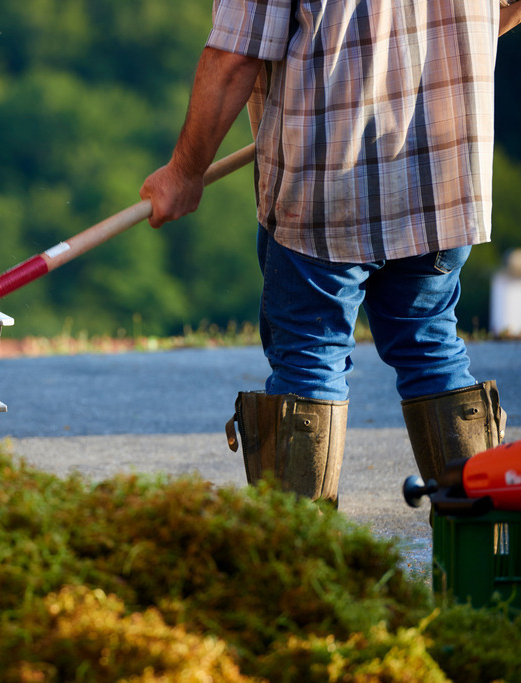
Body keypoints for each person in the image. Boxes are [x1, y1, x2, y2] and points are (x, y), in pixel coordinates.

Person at [140, 0, 521, 503]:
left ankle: (304, 561)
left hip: (326, 184)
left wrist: (185, 172)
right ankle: (484, 551)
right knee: (431, 348)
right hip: (444, 174)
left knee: (309, 363)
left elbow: (235, 56)